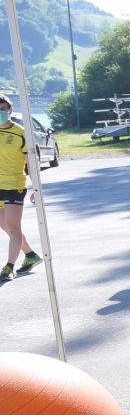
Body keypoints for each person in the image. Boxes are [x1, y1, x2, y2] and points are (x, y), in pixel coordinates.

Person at [0, 95, 43, 282]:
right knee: (6, 226)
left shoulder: (21, 133)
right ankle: (30, 254)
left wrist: (37, 188)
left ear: (9, 110)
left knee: (14, 229)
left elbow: (32, 163)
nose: (0, 113)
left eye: (3, 109)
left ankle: (8, 267)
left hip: (13, 186)